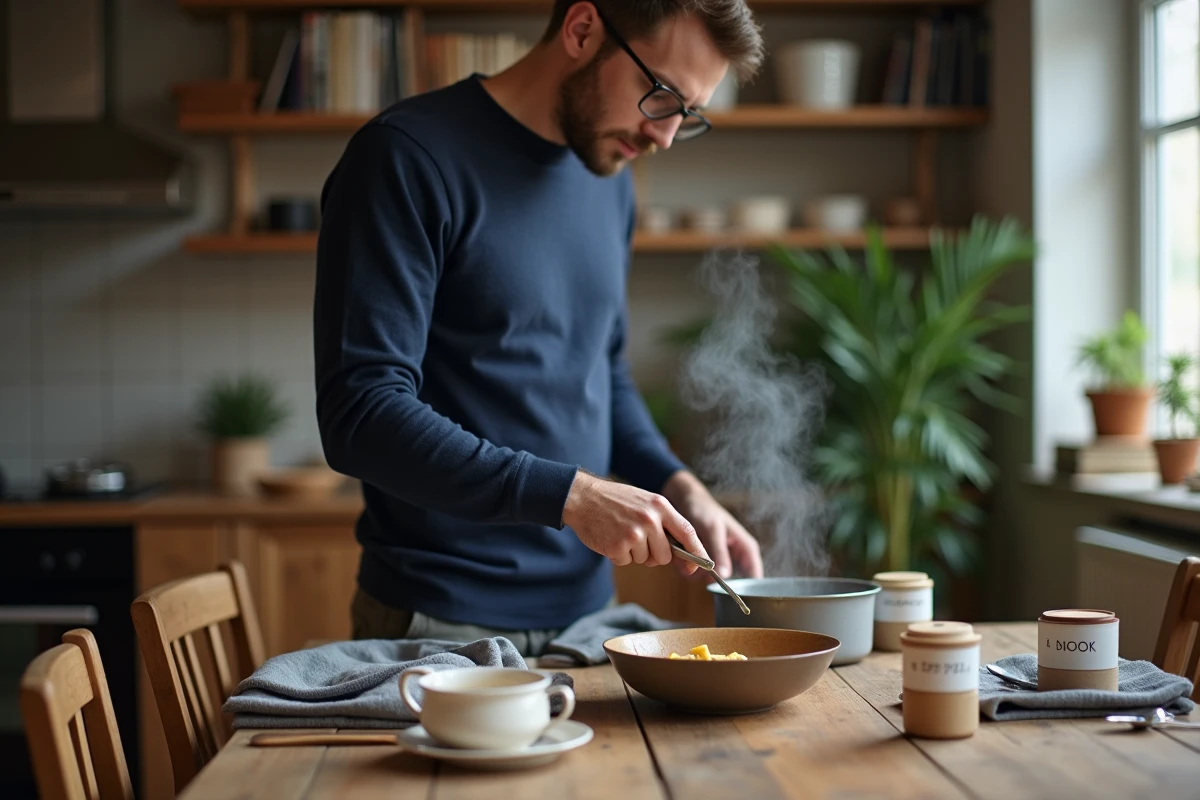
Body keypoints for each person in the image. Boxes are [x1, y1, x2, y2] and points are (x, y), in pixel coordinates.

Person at [313, 0, 766, 656]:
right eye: (662, 95)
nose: (665, 137)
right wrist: (574, 496)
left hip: (587, 621)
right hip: (439, 626)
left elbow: (599, 372)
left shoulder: (608, 178)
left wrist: (678, 484)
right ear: (582, 31)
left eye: (688, 115)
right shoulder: (407, 159)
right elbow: (361, 415)